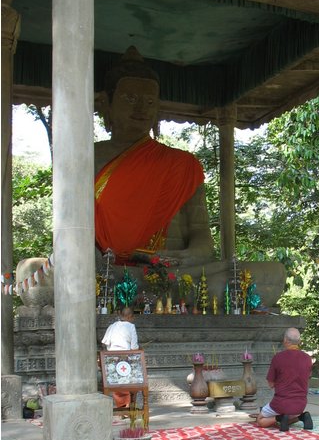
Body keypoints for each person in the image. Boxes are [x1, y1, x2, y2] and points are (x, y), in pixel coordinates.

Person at [94, 46, 286, 306]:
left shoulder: (181, 164)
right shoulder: (88, 158)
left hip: (179, 273)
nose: (141, 108)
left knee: (271, 273)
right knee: (47, 275)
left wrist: (179, 258)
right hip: (113, 273)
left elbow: (203, 240)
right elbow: (76, 235)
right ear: (106, 103)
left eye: (150, 101)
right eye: (129, 98)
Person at [255, 327, 313, 432]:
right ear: (299, 341)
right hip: (301, 405)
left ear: (285, 340)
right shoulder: (307, 358)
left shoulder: (278, 357)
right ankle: (302, 417)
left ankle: (279, 418)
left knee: (260, 420)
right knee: (289, 415)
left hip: (281, 404)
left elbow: (271, 384)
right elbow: (306, 378)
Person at [101, 306, 139, 409]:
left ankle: (122, 404)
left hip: (110, 360)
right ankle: (126, 404)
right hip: (125, 360)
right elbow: (134, 348)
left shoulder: (112, 326)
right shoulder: (131, 327)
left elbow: (105, 343)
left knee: (116, 379)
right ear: (130, 316)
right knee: (130, 377)